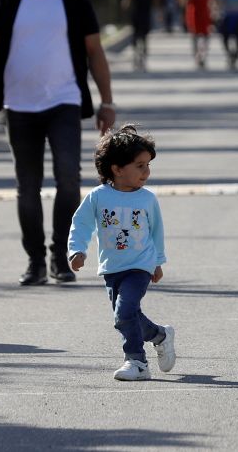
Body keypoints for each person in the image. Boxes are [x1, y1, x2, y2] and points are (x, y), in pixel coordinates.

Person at [0, 0, 115, 286]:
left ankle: (60, 256)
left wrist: (106, 101)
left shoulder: (74, 1)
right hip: (19, 105)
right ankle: (35, 260)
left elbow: (95, 53)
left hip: (64, 101)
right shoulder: (7, 0)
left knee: (69, 179)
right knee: (28, 185)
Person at [68, 124, 175, 381]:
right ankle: (160, 335)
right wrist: (77, 250)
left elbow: (156, 232)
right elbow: (81, 223)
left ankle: (136, 361)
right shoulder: (98, 197)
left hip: (140, 265)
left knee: (124, 313)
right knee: (130, 315)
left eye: (148, 165)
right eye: (140, 166)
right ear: (117, 169)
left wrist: (158, 262)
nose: (146, 172)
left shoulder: (147, 199)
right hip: (111, 267)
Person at [180, 0, 214, 69]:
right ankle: (201, 55)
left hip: (194, 11)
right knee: (204, 35)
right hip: (201, 11)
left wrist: (182, 12)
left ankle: (197, 55)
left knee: (195, 35)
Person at [121, 0, 155, 72]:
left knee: (136, 35)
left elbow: (126, 1)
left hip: (136, 14)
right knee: (144, 37)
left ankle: (136, 56)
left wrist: (125, 6)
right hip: (146, 14)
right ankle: (143, 56)